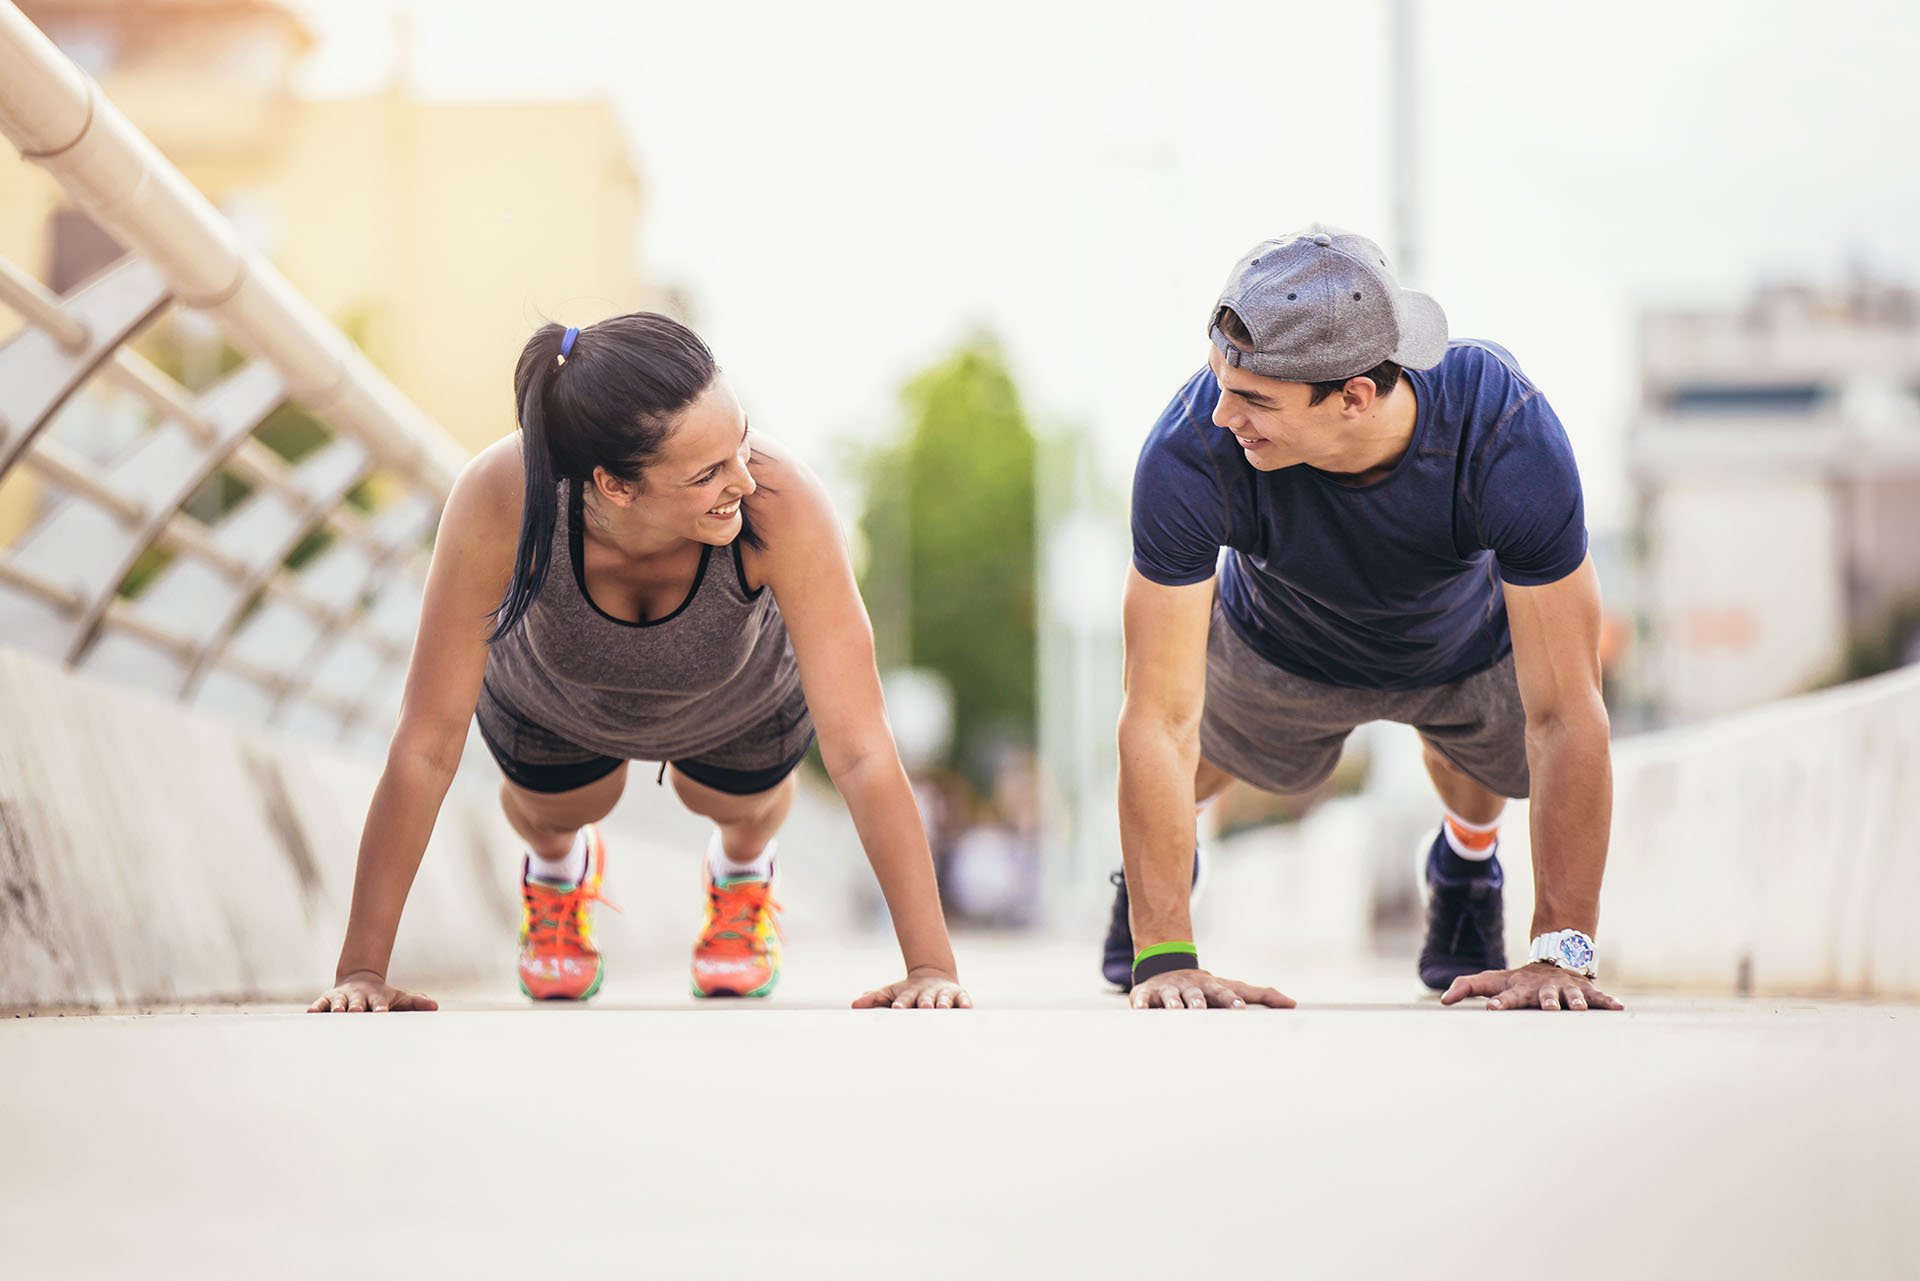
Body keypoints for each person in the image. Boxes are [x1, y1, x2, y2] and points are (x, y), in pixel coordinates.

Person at [310, 314, 968, 1013]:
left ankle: (742, 870)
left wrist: (929, 965)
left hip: (739, 703)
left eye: (741, 439)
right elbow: (426, 747)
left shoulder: (782, 499)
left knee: (731, 802)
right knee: (563, 805)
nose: (743, 481)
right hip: (554, 702)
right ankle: (559, 871)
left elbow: (863, 750)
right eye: (708, 473)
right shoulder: (500, 496)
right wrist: (362, 971)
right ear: (615, 485)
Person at [1108, 226, 1621, 1013]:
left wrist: (1562, 953)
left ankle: (1466, 864)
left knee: (1486, 766)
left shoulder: (1504, 431)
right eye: (1219, 382)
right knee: (1204, 754)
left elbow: (1566, 711)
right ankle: (1156, 882)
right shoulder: (1190, 451)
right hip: (1278, 648)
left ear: (1353, 395)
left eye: (1252, 400)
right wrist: (1166, 952)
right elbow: (1158, 718)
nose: (1219, 415)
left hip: (1460, 648)